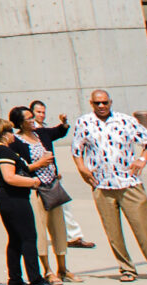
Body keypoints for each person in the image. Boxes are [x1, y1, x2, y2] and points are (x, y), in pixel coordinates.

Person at [72, 88, 147, 282]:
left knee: (142, 227)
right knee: (113, 231)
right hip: (102, 185)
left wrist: (142, 159)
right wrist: (82, 168)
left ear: (110, 102)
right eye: (97, 103)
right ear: (91, 104)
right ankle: (126, 269)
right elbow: (77, 149)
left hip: (129, 183)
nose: (101, 106)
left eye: (104, 102)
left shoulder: (125, 121)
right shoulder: (84, 122)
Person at [0, 117, 59, 285]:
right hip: (12, 198)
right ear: (4, 134)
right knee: (28, 238)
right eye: (10, 132)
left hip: (8, 197)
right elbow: (9, 177)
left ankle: (15, 280)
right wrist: (33, 182)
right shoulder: (2, 151)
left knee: (16, 239)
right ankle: (36, 280)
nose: (13, 135)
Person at [10, 103, 79, 282]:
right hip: (35, 189)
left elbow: (59, 132)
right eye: (29, 118)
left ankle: (63, 268)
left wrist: (64, 124)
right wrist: (38, 164)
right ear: (19, 122)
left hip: (53, 186)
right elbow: (18, 169)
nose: (34, 120)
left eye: (33, 117)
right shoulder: (16, 142)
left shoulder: (41, 134)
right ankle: (47, 270)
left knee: (59, 229)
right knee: (40, 231)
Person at [26, 101, 97, 250]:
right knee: (42, 212)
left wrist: (64, 123)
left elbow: (57, 132)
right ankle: (40, 238)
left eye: (43, 112)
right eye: (38, 112)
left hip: (50, 177)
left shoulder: (42, 131)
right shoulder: (28, 134)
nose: (41, 115)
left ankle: (73, 236)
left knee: (63, 207)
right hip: (35, 178)